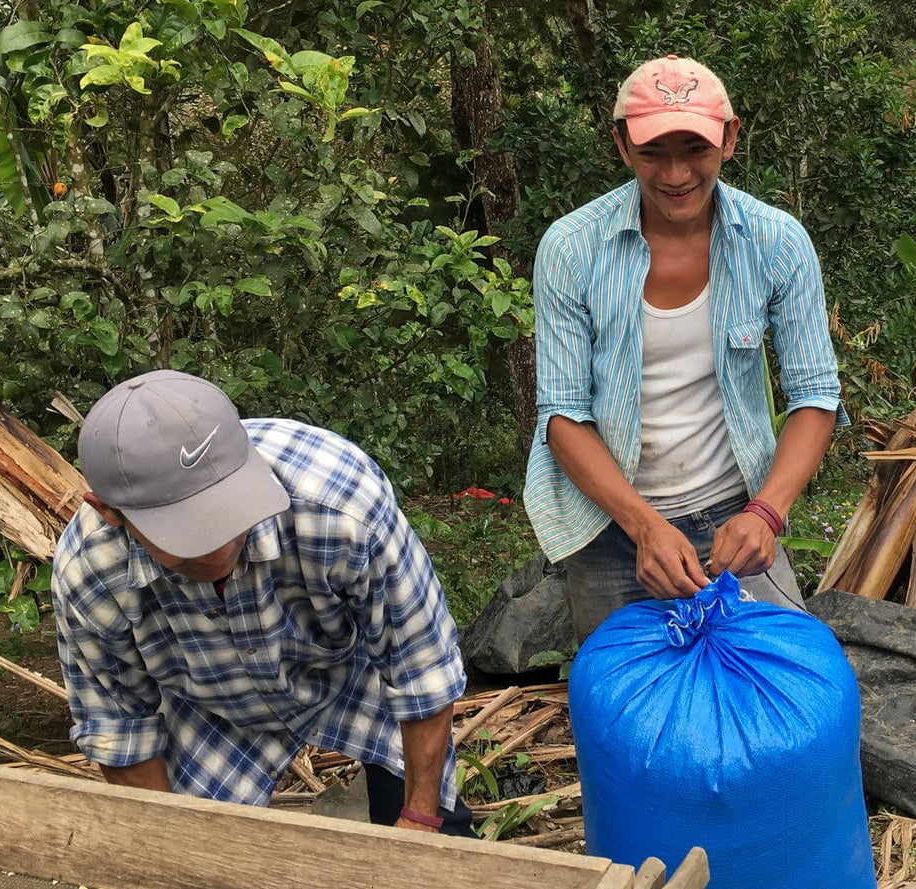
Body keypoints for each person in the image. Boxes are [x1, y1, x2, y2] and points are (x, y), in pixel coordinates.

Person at [51, 369, 472, 836]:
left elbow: (421, 669)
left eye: (229, 510)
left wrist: (418, 821)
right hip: (208, 704)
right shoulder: (89, 572)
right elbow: (121, 728)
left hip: (351, 667)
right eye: (188, 530)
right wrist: (175, 854)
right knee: (195, 860)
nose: (218, 545)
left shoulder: (341, 507)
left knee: (439, 840)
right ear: (109, 512)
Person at [525, 55, 847, 642]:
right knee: (627, 711)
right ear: (622, 146)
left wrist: (766, 514)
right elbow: (563, 414)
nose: (675, 174)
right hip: (609, 528)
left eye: (694, 149)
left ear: (729, 138)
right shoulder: (572, 249)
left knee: (777, 691)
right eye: (653, 152)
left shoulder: (776, 243)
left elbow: (815, 395)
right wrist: (645, 528)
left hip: (735, 517)